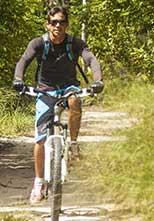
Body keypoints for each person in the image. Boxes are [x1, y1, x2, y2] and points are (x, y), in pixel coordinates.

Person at [13, 6, 104, 204]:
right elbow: (23, 61)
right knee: (40, 139)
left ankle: (73, 144)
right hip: (45, 90)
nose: (57, 26)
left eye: (61, 22)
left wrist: (98, 80)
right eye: (54, 22)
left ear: (67, 25)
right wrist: (18, 79)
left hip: (68, 87)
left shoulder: (74, 43)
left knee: (75, 101)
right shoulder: (39, 43)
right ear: (48, 24)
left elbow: (90, 59)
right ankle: (38, 182)